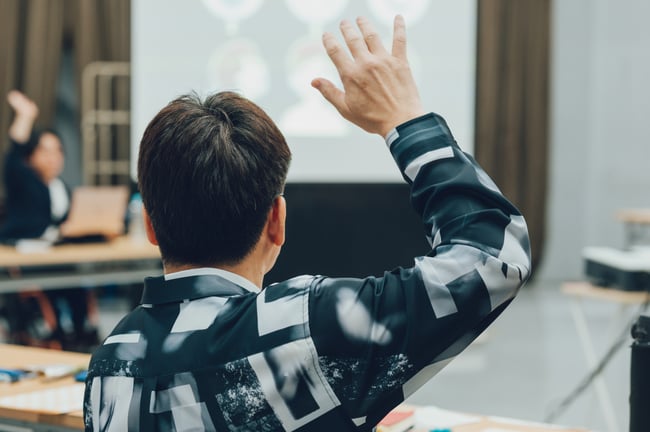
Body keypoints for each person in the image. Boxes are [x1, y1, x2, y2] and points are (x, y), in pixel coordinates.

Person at [84, 16, 531, 431]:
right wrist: (406, 121)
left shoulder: (109, 366)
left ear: (149, 224)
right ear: (276, 221)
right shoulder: (307, 328)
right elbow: (494, 257)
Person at [1, 90, 96, 350]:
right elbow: (14, 154)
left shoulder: (61, 187)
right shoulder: (23, 179)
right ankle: (55, 334)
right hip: (25, 255)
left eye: (58, 151)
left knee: (77, 283)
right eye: (45, 151)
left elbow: (64, 222)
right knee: (53, 286)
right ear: (31, 157)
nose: (53, 157)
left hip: (54, 254)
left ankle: (80, 334)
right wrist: (25, 116)